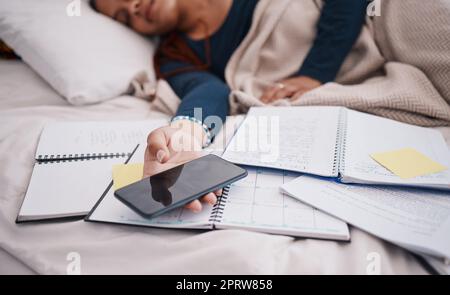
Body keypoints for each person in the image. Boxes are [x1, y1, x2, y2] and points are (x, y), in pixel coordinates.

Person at [91, 0, 367, 212]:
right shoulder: (174, 56)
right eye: (124, 17)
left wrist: (315, 72)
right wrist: (185, 135)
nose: (133, 7)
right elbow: (209, 91)